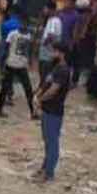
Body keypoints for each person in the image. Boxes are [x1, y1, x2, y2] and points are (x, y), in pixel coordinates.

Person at [34, 41, 72, 183]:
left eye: (54, 51)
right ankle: (45, 168)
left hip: (54, 110)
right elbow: (46, 84)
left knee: (52, 142)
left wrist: (40, 99)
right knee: (47, 141)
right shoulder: (55, 68)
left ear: (61, 53)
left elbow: (53, 90)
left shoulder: (63, 70)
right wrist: (37, 95)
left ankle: (49, 173)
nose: (52, 54)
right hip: (48, 109)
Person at [0, 14, 35, 119]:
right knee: (5, 89)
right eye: (22, 23)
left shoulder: (29, 36)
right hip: (11, 63)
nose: (23, 25)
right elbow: (6, 49)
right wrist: (3, 62)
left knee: (28, 89)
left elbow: (30, 51)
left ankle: (33, 111)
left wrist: (30, 61)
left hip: (21, 65)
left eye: (25, 24)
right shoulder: (13, 34)